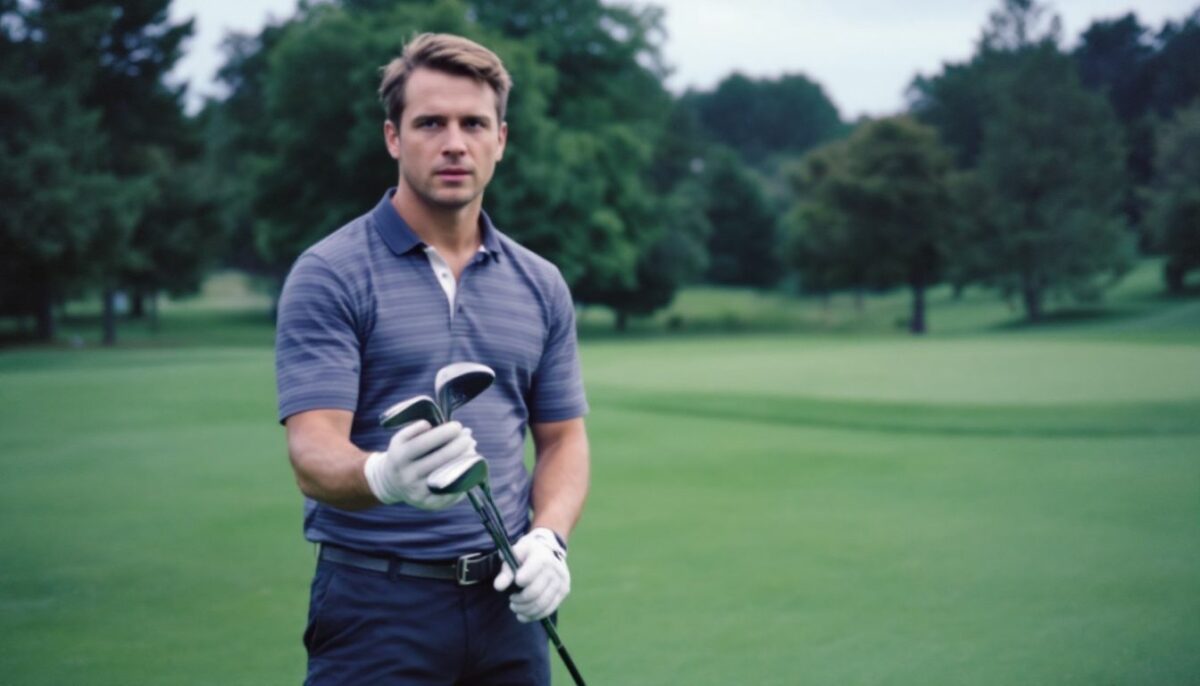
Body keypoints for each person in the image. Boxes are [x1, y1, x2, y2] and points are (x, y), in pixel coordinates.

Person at [274, 32, 590, 685]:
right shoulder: (330, 273)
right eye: (430, 123)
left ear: (501, 138)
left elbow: (563, 440)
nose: (454, 142)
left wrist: (549, 539)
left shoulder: (540, 283)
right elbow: (312, 452)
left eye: (474, 123)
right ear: (393, 137)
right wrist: (385, 476)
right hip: (375, 610)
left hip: (509, 605)